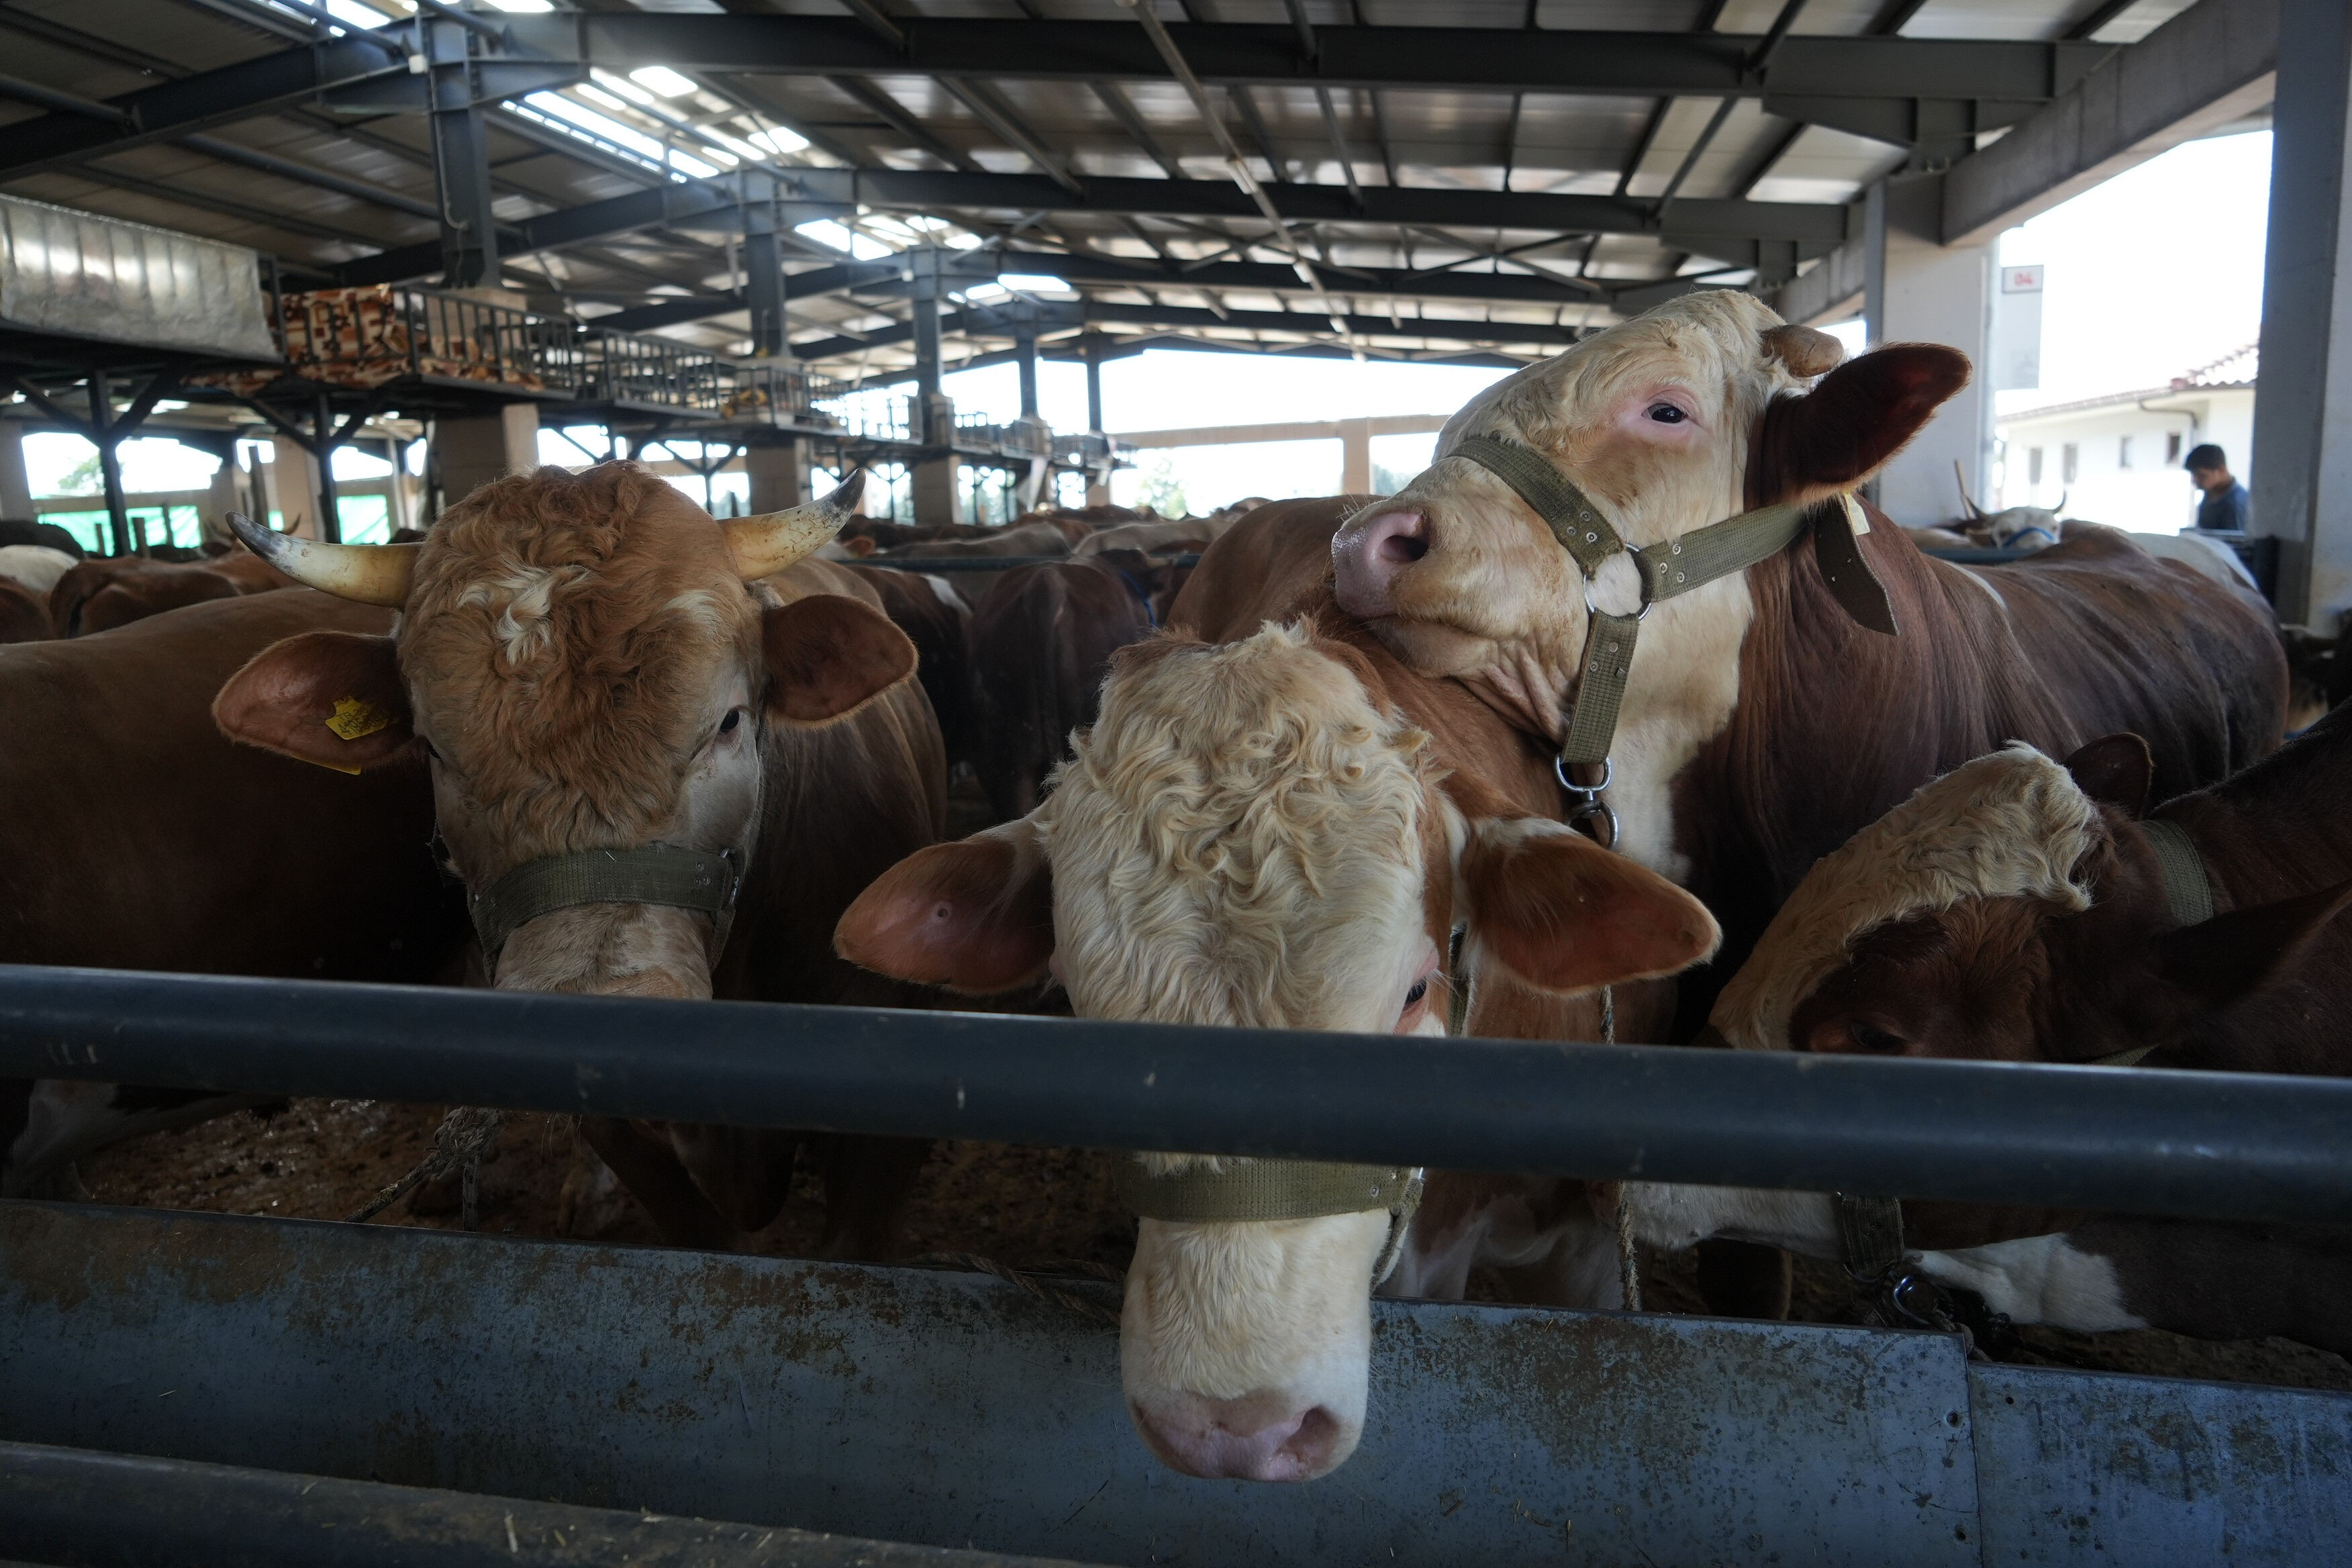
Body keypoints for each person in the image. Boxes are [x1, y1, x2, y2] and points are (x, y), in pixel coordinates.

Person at [2185, 443, 2251, 532]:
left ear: (2221, 470)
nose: (2195, 480)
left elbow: (2235, 543)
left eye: (2201, 475)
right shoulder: (2210, 491)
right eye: (2193, 475)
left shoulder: (2236, 503)